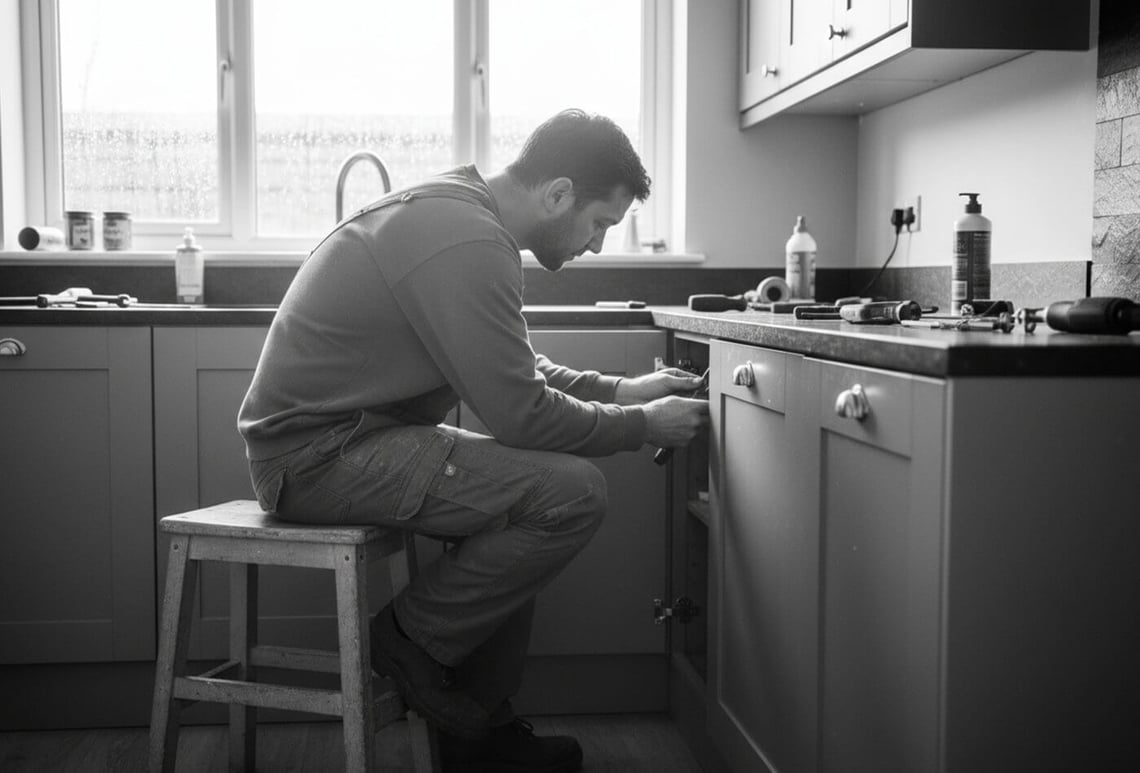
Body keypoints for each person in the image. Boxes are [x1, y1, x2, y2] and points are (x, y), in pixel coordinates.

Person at [238, 109, 709, 773]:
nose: (598, 245)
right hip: (317, 456)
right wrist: (643, 425)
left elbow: (508, 366)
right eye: (600, 223)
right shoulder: (466, 237)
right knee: (571, 492)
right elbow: (522, 414)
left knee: (535, 493)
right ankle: (409, 639)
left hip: (347, 441)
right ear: (559, 194)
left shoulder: (460, 213)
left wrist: (623, 390)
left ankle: (477, 728)